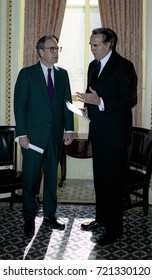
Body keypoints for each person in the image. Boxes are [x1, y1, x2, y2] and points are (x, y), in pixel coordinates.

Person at [76, 28, 137, 245]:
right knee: (101, 182)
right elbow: (92, 93)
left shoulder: (124, 66)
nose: (92, 49)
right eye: (91, 44)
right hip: (98, 134)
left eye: (96, 45)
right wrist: (86, 108)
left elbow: (128, 99)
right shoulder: (94, 65)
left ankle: (114, 230)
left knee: (113, 184)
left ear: (109, 44)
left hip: (115, 137)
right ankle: (101, 219)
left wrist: (100, 102)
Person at [14, 35, 74, 235]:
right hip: (32, 139)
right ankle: (29, 218)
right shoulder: (27, 74)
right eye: (51, 49)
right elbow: (19, 106)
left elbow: (67, 104)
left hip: (55, 136)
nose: (55, 52)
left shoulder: (63, 74)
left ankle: (50, 215)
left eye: (57, 49)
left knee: (51, 178)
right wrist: (22, 134)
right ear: (40, 51)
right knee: (30, 180)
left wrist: (69, 129)